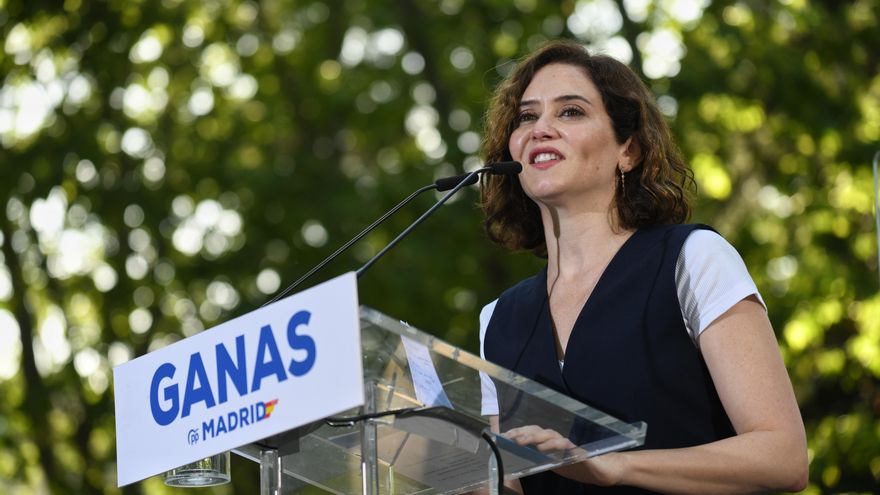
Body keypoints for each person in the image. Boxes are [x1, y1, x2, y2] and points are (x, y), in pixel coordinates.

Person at [477, 40, 808, 494]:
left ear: (628, 150)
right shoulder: (497, 319)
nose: (540, 129)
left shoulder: (692, 259)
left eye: (570, 112)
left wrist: (613, 466)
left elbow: (784, 457)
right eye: (527, 116)